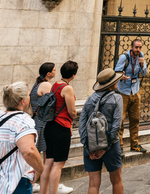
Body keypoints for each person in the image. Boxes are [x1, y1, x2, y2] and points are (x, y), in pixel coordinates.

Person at [79, 69, 124, 194]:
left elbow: (81, 125)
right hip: (111, 145)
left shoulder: (89, 99)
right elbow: (116, 126)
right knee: (116, 180)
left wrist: (88, 147)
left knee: (93, 184)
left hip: (91, 144)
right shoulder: (117, 98)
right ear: (112, 83)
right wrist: (105, 148)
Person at [30, 63, 72, 194]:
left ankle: (44, 184)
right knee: (47, 158)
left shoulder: (36, 84)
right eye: (54, 70)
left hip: (38, 121)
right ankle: (43, 183)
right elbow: (52, 104)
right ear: (49, 73)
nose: (55, 72)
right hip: (46, 122)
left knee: (46, 158)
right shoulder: (47, 85)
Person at [41, 60, 77, 194]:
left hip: (50, 126)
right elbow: (72, 111)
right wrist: (73, 118)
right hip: (61, 127)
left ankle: (43, 192)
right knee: (58, 164)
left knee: (48, 162)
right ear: (73, 75)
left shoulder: (55, 84)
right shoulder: (67, 88)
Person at [115, 39, 148, 152]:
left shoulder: (141, 56)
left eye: (140, 47)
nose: (138, 50)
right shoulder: (124, 57)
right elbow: (116, 73)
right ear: (131, 47)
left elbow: (144, 73)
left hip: (135, 91)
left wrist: (142, 64)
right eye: (136, 47)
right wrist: (121, 76)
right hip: (123, 91)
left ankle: (134, 144)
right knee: (120, 120)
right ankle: (119, 146)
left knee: (135, 119)